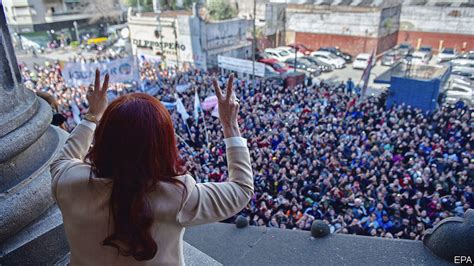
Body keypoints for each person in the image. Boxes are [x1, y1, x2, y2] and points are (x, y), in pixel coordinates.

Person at [50, 71, 253, 264]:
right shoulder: (177, 194)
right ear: (162, 146)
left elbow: (64, 157)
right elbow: (241, 190)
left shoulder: (68, 181)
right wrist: (230, 125)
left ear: (104, 138)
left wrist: (93, 115)